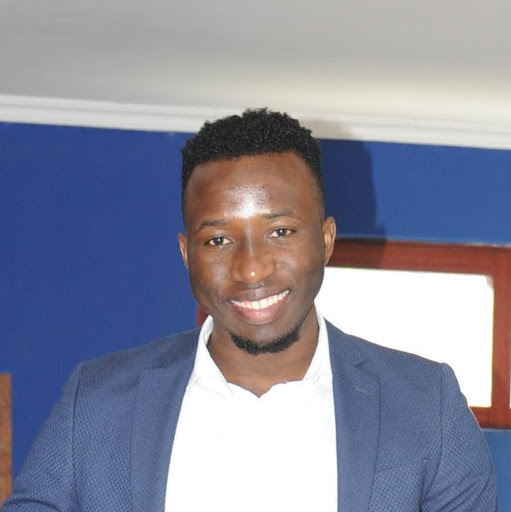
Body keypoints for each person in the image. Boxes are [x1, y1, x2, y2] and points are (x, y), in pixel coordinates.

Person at [3, 108, 497, 511]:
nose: (252, 269)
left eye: (280, 232)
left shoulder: (425, 404)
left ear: (326, 240)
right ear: (187, 255)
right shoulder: (97, 402)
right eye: (218, 240)